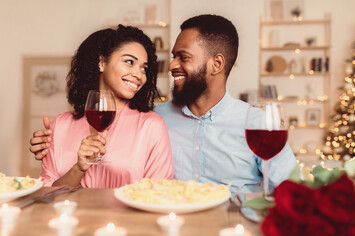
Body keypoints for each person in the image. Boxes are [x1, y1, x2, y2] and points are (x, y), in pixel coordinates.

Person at [30, 14, 296, 193]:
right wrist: (51, 140)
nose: (171, 66)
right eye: (172, 56)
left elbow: (293, 195)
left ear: (216, 64)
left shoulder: (257, 125)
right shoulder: (156, 117)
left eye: (183, 57)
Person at [36, 24, 174, 188]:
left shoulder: (150, 126)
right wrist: (78, 169)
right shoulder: (61, 125)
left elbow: (159, 193)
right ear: (102, 62)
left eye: (144, 68)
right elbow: (46, 194)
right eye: (129, 62)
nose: (139, 75)